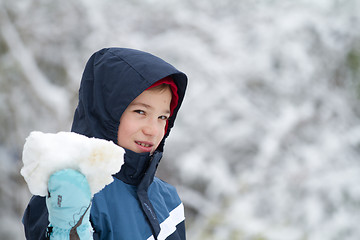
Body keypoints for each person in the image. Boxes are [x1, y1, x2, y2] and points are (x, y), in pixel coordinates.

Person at [22, 47, 188, 240]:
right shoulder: (69, 192)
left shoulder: (168, 198)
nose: (152, 129)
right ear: (106, 113)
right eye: (140, 112)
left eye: (162, 117)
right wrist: (66, 229)